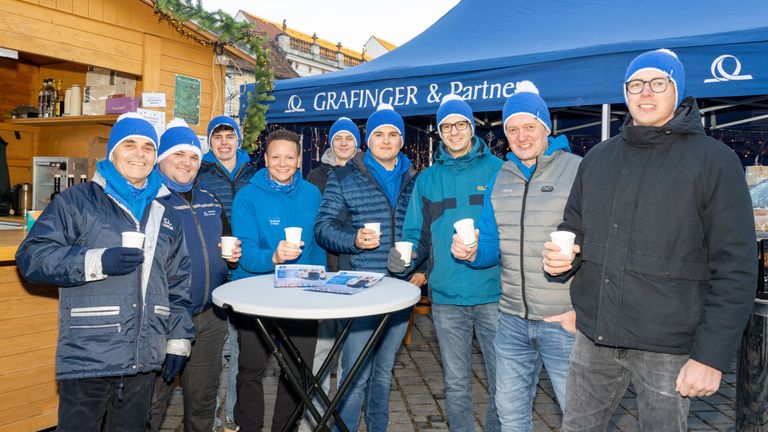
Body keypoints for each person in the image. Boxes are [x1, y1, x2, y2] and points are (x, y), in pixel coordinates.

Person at [543, 49, 757, 431]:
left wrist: (710, 357)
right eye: (636, 84)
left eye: (658, 83)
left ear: (677, 91)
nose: (645, 93)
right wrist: (564, 260)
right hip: (596, 336)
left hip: (668, 346)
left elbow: (736, 266)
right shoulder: (599, 157)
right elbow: (574, 227)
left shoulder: (714, 161)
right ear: (625, 92)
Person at [15, 112, 194, 432]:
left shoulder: (166, 214)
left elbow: (179, 283)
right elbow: (31, 257)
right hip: (89, 356)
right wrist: (96, 261)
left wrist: (178, 339)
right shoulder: (77, 201)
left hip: (143, 359)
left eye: (148, 147)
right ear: (112, 152)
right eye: (130, 144)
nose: (139, 153)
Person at [451, 82, 581, 431]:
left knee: (579, 418)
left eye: (529, 127)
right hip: (510, 320)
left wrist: (581, 310)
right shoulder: (500, 177)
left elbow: (600, 246)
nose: (521, 137)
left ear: (546, 127)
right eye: (512, 129)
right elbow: (491, 245)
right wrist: (472, 251)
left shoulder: (578, 170)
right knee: (510, 417)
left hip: (563, 322)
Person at [389, 94, 503, 431]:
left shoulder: (499, 170)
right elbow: (415, 233)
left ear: (471, 128)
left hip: (494, 292)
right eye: (446, 126)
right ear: (439, 132)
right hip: (447, 294)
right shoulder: (427, 179)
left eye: (460, 124)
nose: (453, 132)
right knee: (455, 382)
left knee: (502, 380)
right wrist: (403, 258)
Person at [314, 103, 418, 432]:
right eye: (378, 134)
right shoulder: (343, 177)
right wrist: (355, 239)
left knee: (384, 374)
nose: (385, 140)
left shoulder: (416, 179)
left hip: (401, 291)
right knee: (355, 375)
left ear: (401, 141)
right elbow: (323, 227)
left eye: (392, 134)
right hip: (360, 288)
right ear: (367, 140)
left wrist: (421, 266)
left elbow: (425, 231)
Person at [147, 119, 243, 432]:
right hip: (163, 319)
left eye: (193, 156)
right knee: (152, 401)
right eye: (179, 155)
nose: (187, 163)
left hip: (210, 317)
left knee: (202, 400)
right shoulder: (150, 204)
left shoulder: (210, 200)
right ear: (161, 158)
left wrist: (232, 257)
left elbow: (225, 247)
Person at [230, 129, 325, 432]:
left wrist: (318, 287)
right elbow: (244, 255)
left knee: (298, 372)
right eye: (275, 157)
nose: (282, 163)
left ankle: (284, 428)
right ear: (266, 159)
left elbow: (317, 249)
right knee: (251, 369)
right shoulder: (247, 196)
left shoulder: (312, 193)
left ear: (299, 160)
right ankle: (249, 428)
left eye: (289, 157)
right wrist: (273, 257)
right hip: (256, 294)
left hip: (301, 296)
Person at [197, 115, 258, 432]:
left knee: (239, 348)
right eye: (217, 136)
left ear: (237, 140)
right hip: (214, 268)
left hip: (247, 270)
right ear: (210, 142)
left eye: (228, 135)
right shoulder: (199, 174)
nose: (223, 142)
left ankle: (232, 414)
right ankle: (208, 412)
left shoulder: (254, 173)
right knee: (210, 349)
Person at [302, 117, 361, 430]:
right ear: (330, 142)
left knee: (352, 349)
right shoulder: (315, 175)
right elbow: (313, 223)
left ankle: (344, 413)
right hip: (325, 268)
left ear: (356, 143)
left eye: (348, 139)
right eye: (338, 138)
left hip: (353, 267)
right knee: (322, 349)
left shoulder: (364, 173)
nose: (342, 143)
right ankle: (315, 415)